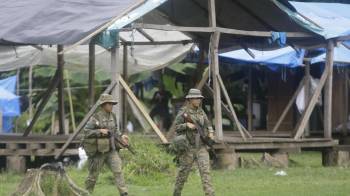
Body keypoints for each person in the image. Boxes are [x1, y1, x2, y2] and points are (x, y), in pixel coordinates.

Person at [82, 94, 129, 196]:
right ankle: (86, 193)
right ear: (103, 105)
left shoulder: (113, 116)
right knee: (93, 176)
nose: (111, 105)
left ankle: (124, 193)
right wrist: (99, 131)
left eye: (112, 103)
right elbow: (86, 131)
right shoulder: (95, 117)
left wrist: (122, 137)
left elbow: (116, 130)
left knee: (118, 171)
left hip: (112, 150)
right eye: (109, 103)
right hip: (99, 151)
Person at [172, 88, 215, 196]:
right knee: (183, 174)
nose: (198, 100)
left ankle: (210, 194)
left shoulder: (201, 111)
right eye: (196, 98)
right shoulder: (183, 112)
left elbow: (208, 123)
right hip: (188, 148)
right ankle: (176, 193)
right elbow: (176, 128)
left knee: (206, 173)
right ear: (190, 99)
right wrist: (186, 125)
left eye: (199, 98)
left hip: (201, 147)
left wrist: (210, 132)